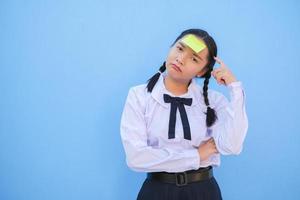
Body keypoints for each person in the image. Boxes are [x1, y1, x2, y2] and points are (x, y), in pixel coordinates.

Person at [120, 28, 248, 200]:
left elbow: (232, 145)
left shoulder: (213, 101)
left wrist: (235, 88)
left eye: (194, 59)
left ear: (202, 71)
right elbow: (136, 158)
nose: (181, 59)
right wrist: (195, 156)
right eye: (180, 49)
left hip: (203, 191)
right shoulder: (139, 96)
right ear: (171, 47)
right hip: (157, 191)